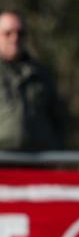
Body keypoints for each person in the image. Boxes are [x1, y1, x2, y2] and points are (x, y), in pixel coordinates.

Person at [0, 10, 65, 151]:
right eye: (8, 33)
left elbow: (58, 118)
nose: (14, 38)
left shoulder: (41, 74)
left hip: (36, 163)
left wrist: (57, 149)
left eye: (20, 33)